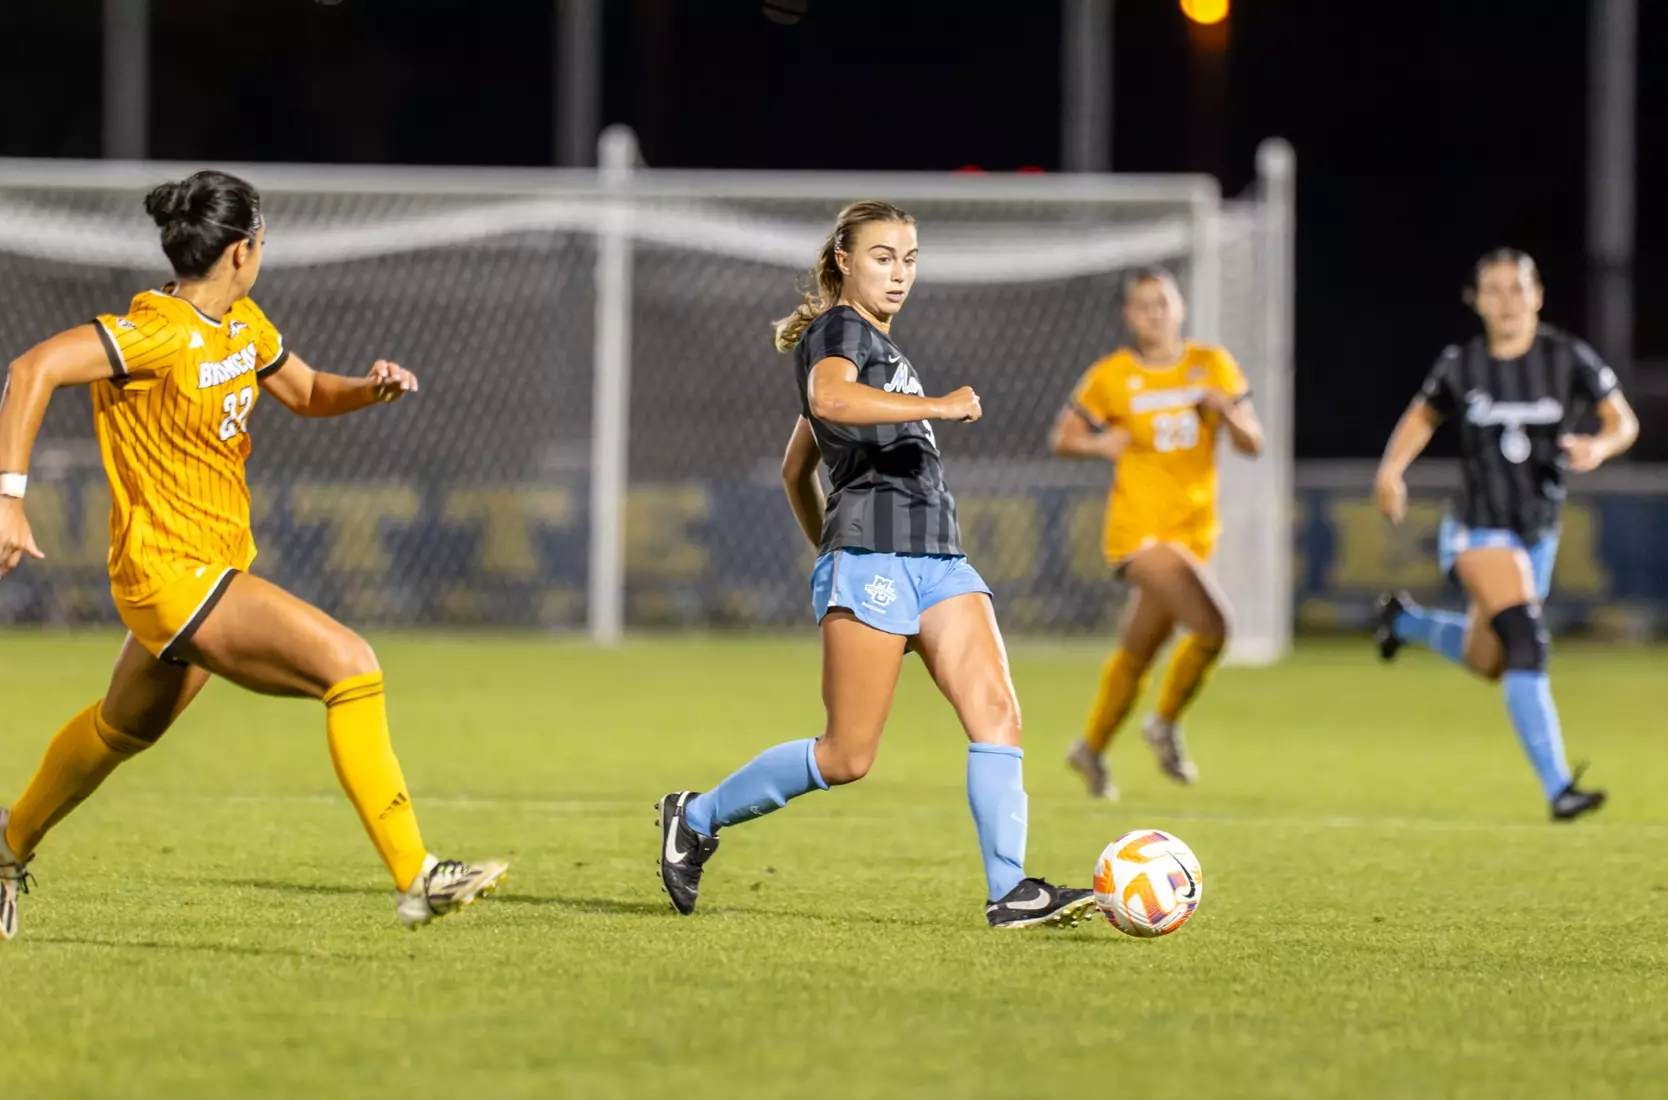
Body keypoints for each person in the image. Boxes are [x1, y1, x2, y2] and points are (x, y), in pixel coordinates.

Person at [0, 170, 507, 941]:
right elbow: (31, 369)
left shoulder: (243, 325)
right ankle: (416, 876)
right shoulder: (157, 331)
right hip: (171, 573)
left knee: (121, 729)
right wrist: (7, 496)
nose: (262, 253)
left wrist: (367, 389)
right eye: (261, 242)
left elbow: (304, 392)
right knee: (351, 664)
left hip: (211, 565)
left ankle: (6, 847)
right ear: (241, 250)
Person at [655, 200, 1096, 929]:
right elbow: (828, 397)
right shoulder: (837, 332)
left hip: (941, 557)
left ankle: (1010, 890)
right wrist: (941, 406)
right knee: (847, 754)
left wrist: (820, 532)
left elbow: (796, 467)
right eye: (884, 256)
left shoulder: (881, 355)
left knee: (997, 716)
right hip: (876, 555)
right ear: (844, 262)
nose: (900, 273)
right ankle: (695, 818)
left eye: (910, 258)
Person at [1373, 248, 1638, 820]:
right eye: (1493, 289)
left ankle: (1403, 621)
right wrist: (1392, 470)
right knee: (1528, 641)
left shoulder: (1567, 358)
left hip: (1536, 535)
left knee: (1490, 659)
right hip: (1476, 529)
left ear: (1538, 294)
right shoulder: (1460, 364)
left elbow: (1623, 421)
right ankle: (1558, 789)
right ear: (1475, 301)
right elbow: (1422, 416)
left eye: (1517, 288)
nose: (1507, 300)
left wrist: (1600, 444)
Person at [1048, 268, 1263, 799]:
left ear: (1180, 308)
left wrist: (1227, 413)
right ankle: (1163, 723)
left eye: (1162, 303)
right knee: (1214, 627)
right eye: (1143, 306)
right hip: (1138, 533)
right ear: (1129, 316)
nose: (1154, 314)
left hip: (1194, 534)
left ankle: (1090, 749)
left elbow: (1252, 442)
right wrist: (1102, 446)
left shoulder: (1210, 364)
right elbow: (1064, 436)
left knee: (1139, 650)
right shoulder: (1113, 374)